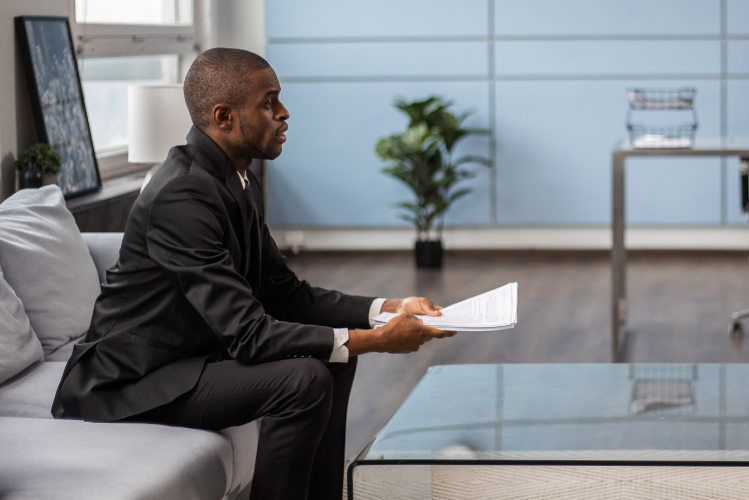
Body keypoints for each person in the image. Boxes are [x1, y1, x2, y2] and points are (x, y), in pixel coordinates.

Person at [52, 48, 456, 500]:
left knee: (335, 357)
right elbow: (248, 334)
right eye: (269, 103)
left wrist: (387, 309)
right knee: (304, 378)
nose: (284, 113)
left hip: (189, 359)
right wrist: (376, 340)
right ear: (224, 117)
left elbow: (286, 294)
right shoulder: (182, 194)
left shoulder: (235, 179)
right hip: (130, 382)